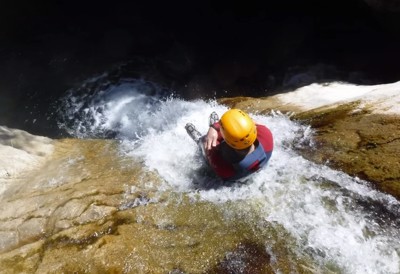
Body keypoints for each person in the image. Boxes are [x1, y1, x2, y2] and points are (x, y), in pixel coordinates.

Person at [185, 109, 273, 182]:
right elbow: (252, 122)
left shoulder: (223, 168)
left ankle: (199, 139)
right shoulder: (266, 134)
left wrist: (213, 129)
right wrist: (217, 127)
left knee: (207, 143)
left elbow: (210, 149)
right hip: (249, 169)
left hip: (231, 175)